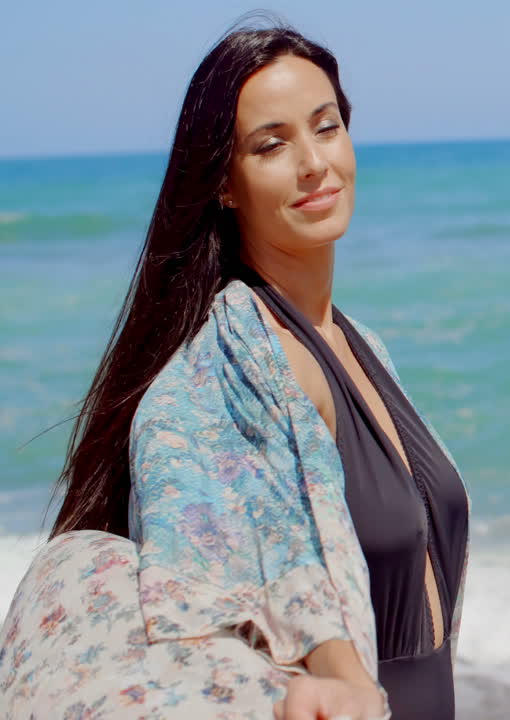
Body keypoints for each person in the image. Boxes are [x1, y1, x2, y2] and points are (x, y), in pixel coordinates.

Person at [0, 19, 470, 720]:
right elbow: (238, 547)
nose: (313, 163)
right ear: (223, 183)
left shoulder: (358, 343)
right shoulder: (223, 368)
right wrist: (339, 673)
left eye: (327, 126)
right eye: (271, 144)